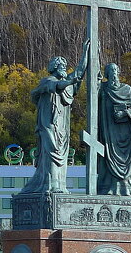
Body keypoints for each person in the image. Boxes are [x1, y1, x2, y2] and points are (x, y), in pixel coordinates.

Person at [19, 39, 89, 194]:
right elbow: (58, 85)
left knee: (61, 156)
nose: (64, 68)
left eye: (65, 66)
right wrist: (70, 80)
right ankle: (50, 184)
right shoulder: (48, 81)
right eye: (62, 66)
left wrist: (85, 54)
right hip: (48, 124)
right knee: (52, 152)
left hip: (62, 127)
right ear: (55, 68)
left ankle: (59, 185)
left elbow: (79, 72)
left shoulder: (67, 82)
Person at [97, 62, 131, 195]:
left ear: (118, 73)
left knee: (128, 161)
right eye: (110, 72)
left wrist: (125, 113)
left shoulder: (127, 89)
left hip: (126, 132)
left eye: (115, 71)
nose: (113, 75)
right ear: (106, 75)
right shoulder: (102, 89)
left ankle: (128, 189)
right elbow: (91, 99)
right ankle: (109, 188)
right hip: (109, 132)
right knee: (107, 157)